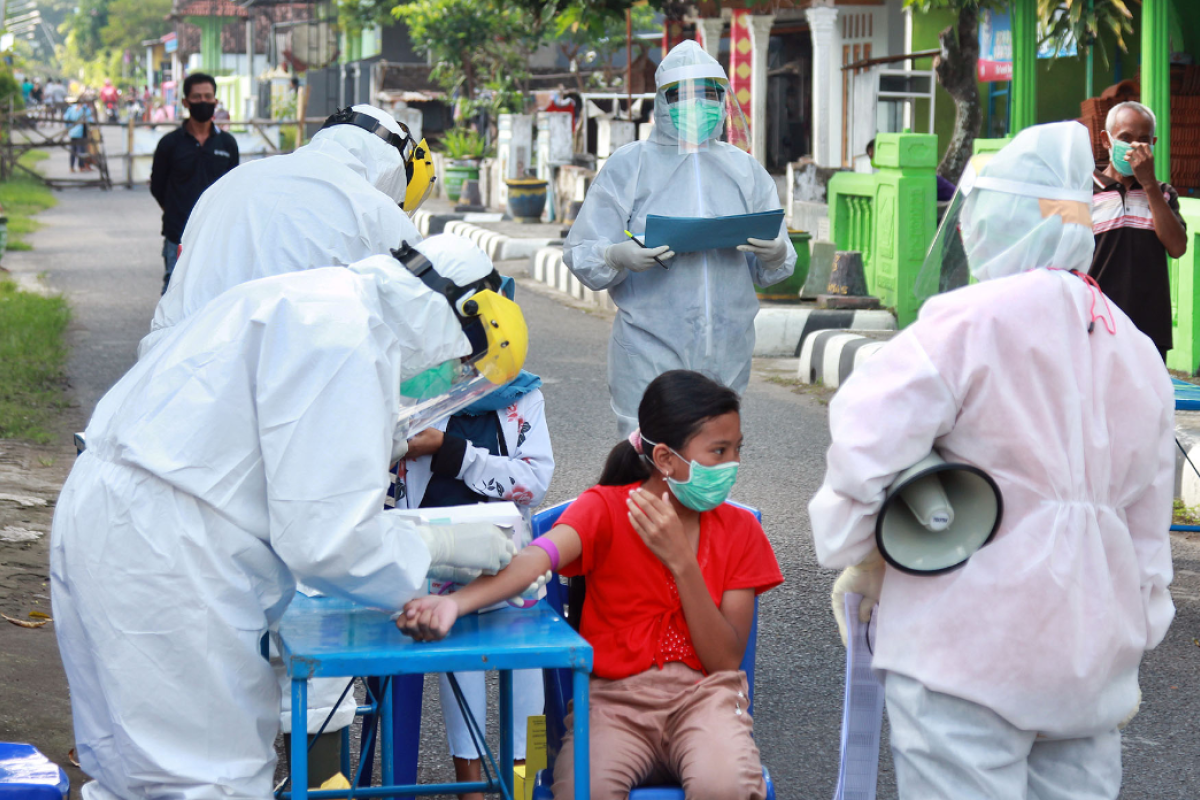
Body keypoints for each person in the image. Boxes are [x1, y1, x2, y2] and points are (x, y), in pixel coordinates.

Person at [51, 236, 530, 800]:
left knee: (129, 776)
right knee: (204, 781)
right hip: (167, 553)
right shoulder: (346, 338)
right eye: (458, 365)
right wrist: (445, 546)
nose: (447, 380)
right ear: (458, 316)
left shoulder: (317, 299)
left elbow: (298, 502)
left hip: (115, 520)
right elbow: (327, 543)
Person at [809, 122, 1175, 799]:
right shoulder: (1136, 349)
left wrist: (859, 547)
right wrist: (1130, 629)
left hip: (962, 648)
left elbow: (865, 446)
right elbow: (1150, 539)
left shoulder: (966, 322)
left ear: (1002, 217)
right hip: (1090, 660)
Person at [401, 370, 784, 800]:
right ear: (665, 459)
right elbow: (533, 561)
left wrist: (682, 563)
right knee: (585, 789)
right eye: (719, 451)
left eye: (737, 449)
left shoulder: (740, 531)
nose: (733, 464)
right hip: (613, 704)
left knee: (725, 786)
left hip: (705, 699)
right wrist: (456, 605)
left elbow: (724, 659)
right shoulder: (604, 509)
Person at [564, 41, 796, 436]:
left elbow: (774, 261)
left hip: (728, 346)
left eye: (707, 94)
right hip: (649, 345)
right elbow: (581, 251)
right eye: (683, 95)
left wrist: (775, 254)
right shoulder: (631, 164)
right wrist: (617, 255)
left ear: (723, 99)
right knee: (649, 460)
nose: (697, 104)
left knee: (711, 460)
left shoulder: (745, 170)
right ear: (662, 101)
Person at [395, 277, 553, 800]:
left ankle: (523, 787)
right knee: (458, 665)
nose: (471, 377)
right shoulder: (414, 391)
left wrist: (451, 451)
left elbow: (532, 480)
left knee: (526, 669)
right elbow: (387, 494)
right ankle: (474, 791)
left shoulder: (521, 395)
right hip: (435, 560)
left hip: (511, 559)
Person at [139, 104, 432, 357]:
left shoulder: (233, 180)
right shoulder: (382, 215)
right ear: (393, 167)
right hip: (274, 396)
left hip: (168, 367)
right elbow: (412, 336)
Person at [1088, 100, 1188, 362]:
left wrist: (1149, 185)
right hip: (1096, 326)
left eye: (1142, 140)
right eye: (1125, 138)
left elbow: (1177, 247)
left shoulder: (1164, 194)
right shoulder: (1084, 193)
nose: (1133, 147)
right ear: (1107, 140)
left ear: (1152, 143)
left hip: (1149, 330)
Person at [150, 72, 240, 296]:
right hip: (178, 235)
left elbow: (233, 188)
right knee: (174, 293)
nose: (203, 102)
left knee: (214, 295)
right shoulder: (169, 144)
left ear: (215, 101)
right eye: (197, 97)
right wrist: (177, 210)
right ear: (185, 102)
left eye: (208, 97)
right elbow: (157, 187)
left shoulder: (227, 144)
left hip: (216, 235)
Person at [63, 98, 95, 173]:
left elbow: (66, 119)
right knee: (82, 150)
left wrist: (67, 129)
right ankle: (81, 166)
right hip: (82, 132)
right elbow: (90, 120)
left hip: (72, 131)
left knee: (73, 150)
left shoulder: (71, 109)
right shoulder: (85, 109)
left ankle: (71, 167)